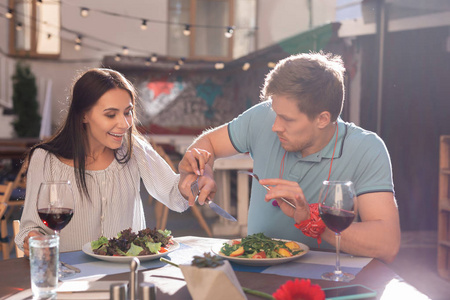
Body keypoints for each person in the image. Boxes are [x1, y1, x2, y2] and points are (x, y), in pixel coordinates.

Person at [179, 52, 401, 263]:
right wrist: (203, 170)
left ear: (323, 119)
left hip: (328, 280)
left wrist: (311, 221)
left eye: (287, 119)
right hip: (256, 268)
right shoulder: (262, 117)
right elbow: (207, 144)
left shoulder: (367, 148)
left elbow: (387, 244)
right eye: (275, 113)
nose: (275, 126)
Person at [16, 68, 212, 256]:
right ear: (83, 115)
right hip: (70, 279)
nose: (125, 123)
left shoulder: (134, 148)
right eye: (111, 115)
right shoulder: (45, 160)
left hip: (126, 275)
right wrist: (33, 238)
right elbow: (30, 228)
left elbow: (175, 198)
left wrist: (189, 180)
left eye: (127, 112)